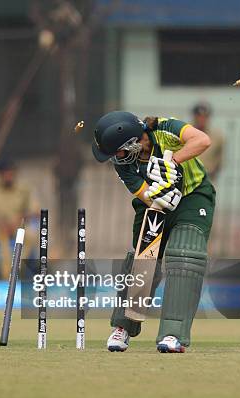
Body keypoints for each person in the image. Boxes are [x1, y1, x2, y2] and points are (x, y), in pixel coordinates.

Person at [92, 111, 215, 353]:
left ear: (132, 143)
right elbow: (146, 196)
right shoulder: (123, 166)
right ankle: (123, 327)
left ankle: (172, 334)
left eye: (117, 151)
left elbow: (202, 140)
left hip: (193, 197)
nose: (115, 159)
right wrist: (162, 196)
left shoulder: (164, 128)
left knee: (184, 256)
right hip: (154, 204)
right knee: (143, 260)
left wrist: (173, 162)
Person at [0, 159, 38, 279]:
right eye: (6, 173)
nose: (9, 176)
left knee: (31, 235)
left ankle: (18, 269)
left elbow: (35, 211)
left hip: (18, 227)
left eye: (12, 173)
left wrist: (20, 219)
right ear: (0, 174)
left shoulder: (24, 188)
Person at [191, 102, 225, 182]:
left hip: (207, 177)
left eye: (204, 116)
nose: (201, 119)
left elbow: (219, 159)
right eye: (199, 116)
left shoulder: (217, 137)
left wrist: (213, 172)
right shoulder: (185, 134)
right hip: (188, 178)